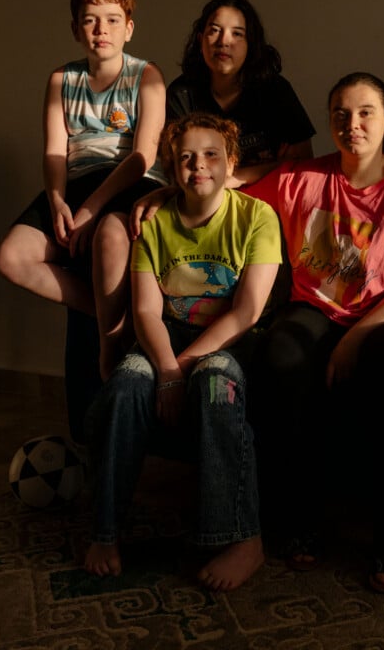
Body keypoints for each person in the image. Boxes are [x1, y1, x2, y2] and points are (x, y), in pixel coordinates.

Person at [243, 71, 384, 594]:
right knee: (279, 352)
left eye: (366, 112)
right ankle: (304, 520)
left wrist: (354, 339)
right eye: (341, 114)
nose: (353, 124)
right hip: (326, 313)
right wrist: (156, 196)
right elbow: (230, 185)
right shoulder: (304, 178)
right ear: (329, 123)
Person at [84, 112, 282, 592]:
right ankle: (104, 532)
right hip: (165, 336)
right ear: (173, 169)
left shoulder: (256, 217)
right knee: (125, 386)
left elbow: (248, 311)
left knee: (216, 386)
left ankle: (241, 538)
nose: (199, 166)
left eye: (211, 155)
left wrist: (183, 369)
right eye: (186, 158)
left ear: (231, 162)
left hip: (228, 340)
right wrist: (167, 369)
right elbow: (147, 313)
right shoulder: (154, 222)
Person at [0, 0, 168, 386]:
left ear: (128, 27)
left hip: (128, 180)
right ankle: (113, 315)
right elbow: (56, 150)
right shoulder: (62, 79)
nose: (101, 30)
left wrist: (92, 208)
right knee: (11, 257)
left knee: (111, 236)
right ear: (76, 28)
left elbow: (142, 155)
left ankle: (110, 344)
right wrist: (57, 200)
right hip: (76, 181)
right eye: (90, 20)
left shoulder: (146, 76)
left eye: (111, 20)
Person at [130, 0, 316, 234]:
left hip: (269, 204)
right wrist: (273, 164)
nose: (224, 41)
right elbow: (178, 170)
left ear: (251, 44)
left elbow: (302, 165)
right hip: (202, 205)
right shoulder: (182, 93)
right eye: (214, 30)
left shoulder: (275, 90)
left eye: (237, 34)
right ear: (200, 39)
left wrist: (237, 176)